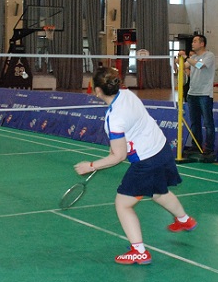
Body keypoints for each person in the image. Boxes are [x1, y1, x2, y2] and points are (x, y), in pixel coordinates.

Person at [74, 66, 196, 265]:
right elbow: (125, 138)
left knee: (123, 204)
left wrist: (91, 165)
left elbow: (118, 156)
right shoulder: (126, 94)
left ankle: (138, 251)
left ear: (97, 91)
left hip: (146, 160)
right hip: (162, 149)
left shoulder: (114, 118)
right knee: (158, 192)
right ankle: (184, 220)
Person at [179, 34, 216, 162]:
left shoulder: (209, 56)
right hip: (192, 94)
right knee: (195, 122)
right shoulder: (193, 57)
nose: (192, 44)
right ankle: (196, 146)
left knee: (208, 123)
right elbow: (184, 67)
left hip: (204, 94)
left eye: (195, 41)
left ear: (202, 44)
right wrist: (178, 61)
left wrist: (186, 58)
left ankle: (209, 149)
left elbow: (200, 66)